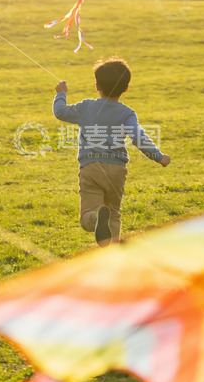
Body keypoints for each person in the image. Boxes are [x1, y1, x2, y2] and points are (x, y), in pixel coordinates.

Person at [53, 56, 170, 247]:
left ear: (97, 86)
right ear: (126, 88)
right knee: (114, 213)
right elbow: (138, 137)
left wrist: (61, 93)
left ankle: (96, 219)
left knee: (87, 218)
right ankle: (112, 252)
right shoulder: (127, 113)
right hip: (116, 169)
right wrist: (158, 157)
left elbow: (60, 112)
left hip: (91, 167)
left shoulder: (86, 107)